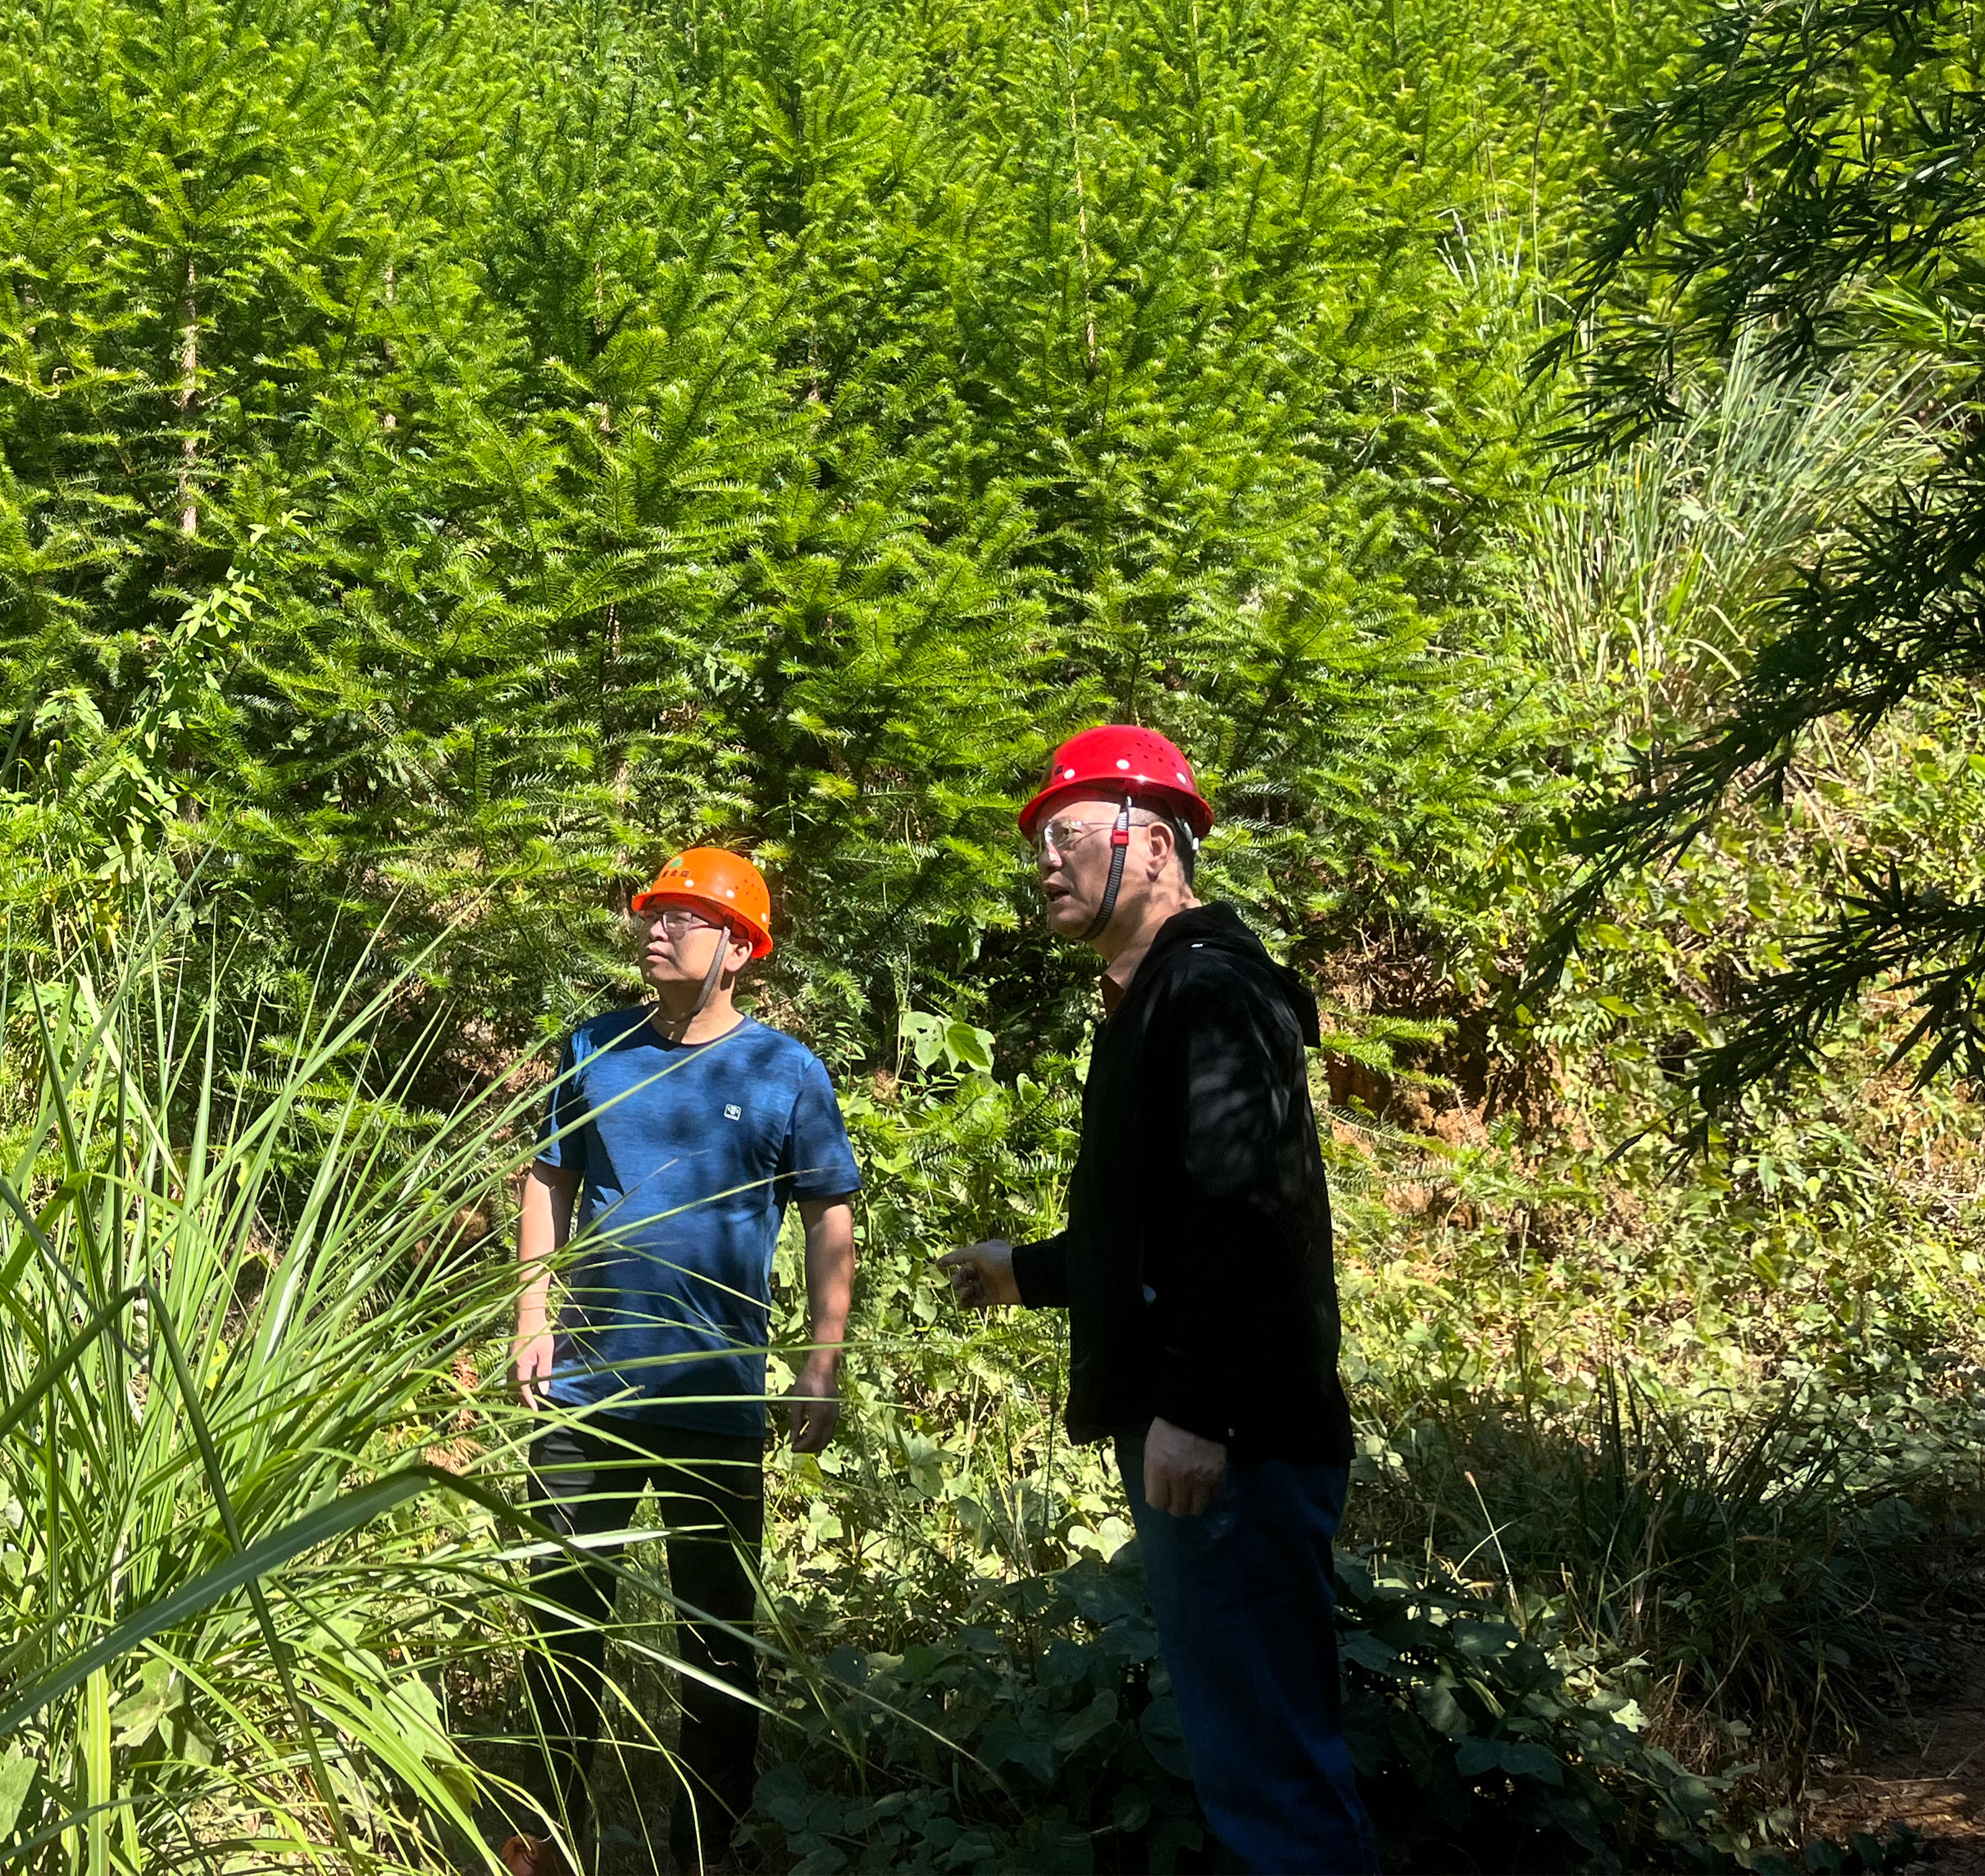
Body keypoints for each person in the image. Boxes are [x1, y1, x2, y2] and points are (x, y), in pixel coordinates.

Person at [939, 726, 1378, 1876]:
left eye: (1068, 834)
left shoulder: (1209, 986)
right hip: (1219, 1428)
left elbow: (1244, 1210)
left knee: (1270, 1772)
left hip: (1234, 1442)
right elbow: (1160, 1226)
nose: (1044, 861)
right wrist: (1024, 1271)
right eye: (1040, 842)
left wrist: (1198, 1408)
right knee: (1255, 1751)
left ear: (1155, 842)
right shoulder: (1160, 997)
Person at [500, 849, 860, 1876]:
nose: (656, 929)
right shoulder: (594, 1049)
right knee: (561, 1632)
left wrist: (820, 1364)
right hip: (584, 1394)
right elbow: (547, 1179)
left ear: (739, 950)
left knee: (717, 1649)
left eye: (686, 918)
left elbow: (830, 1216)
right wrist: (534, 1318)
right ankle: (543, 1848)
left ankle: (708, 1850)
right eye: (653, 913)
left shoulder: (785, 1071)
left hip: (713, 1400)